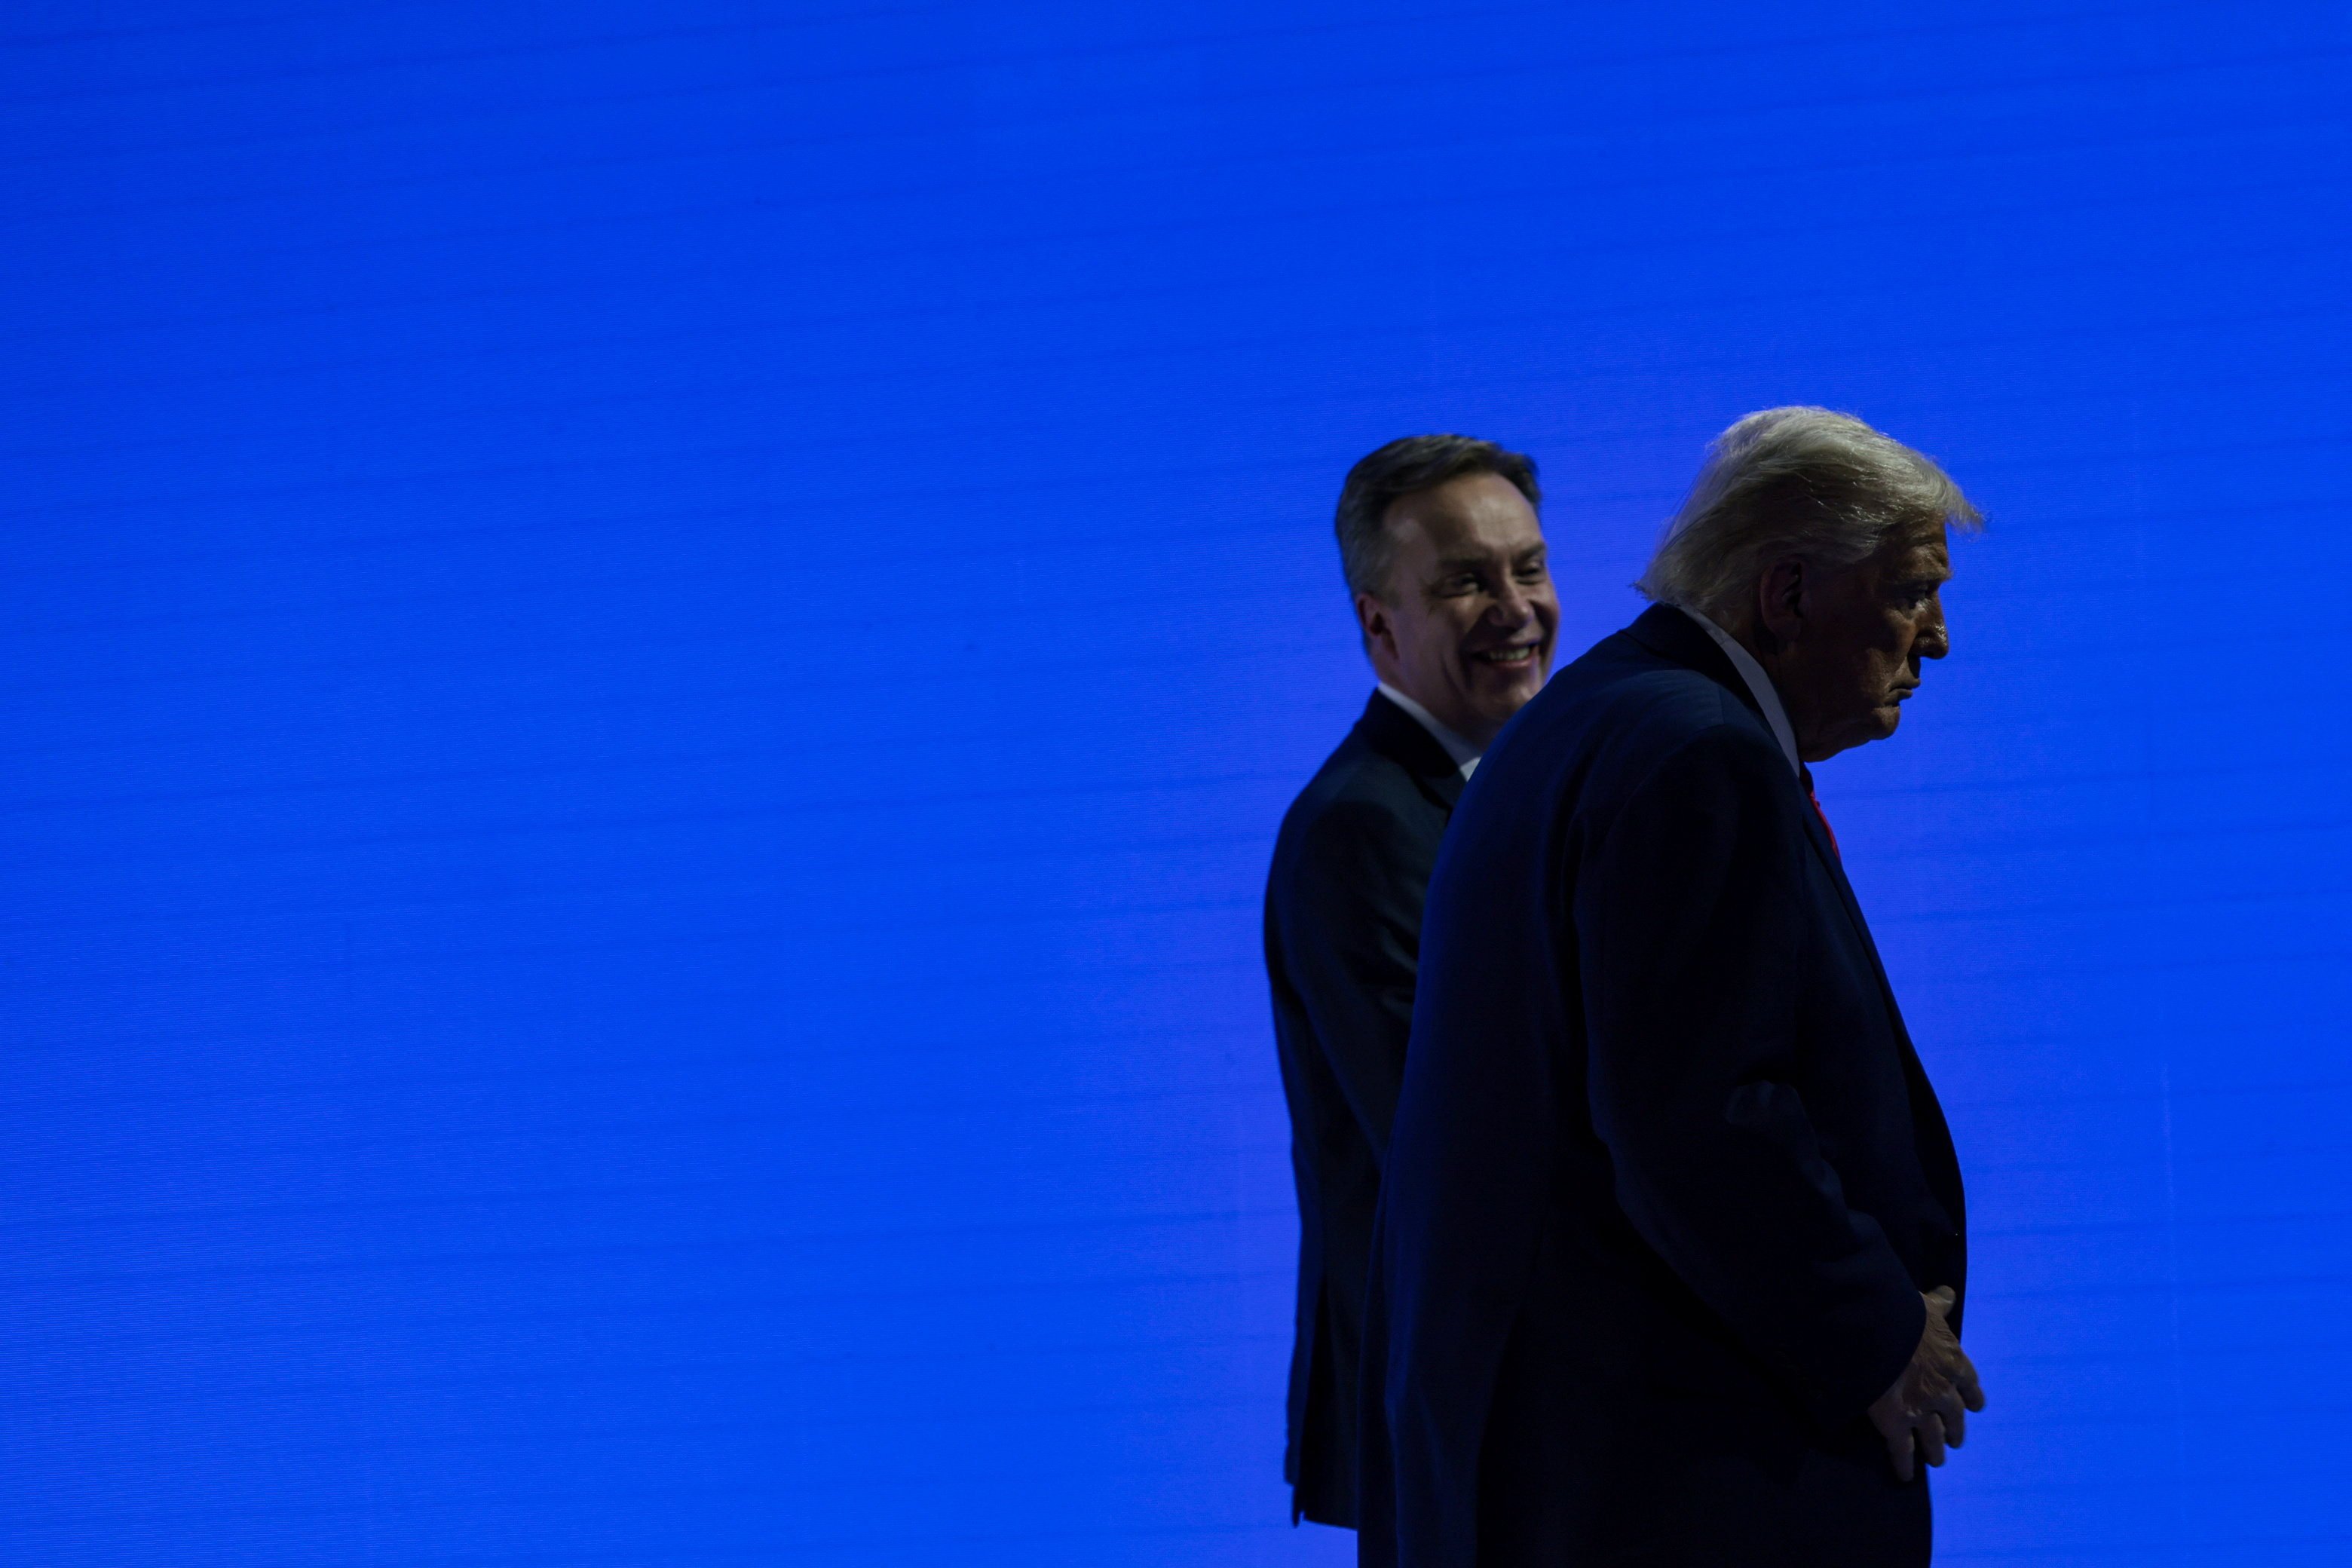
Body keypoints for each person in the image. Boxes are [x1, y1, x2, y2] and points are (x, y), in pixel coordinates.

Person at [1358, 408, 1985, 1566]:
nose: (1936, 638)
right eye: (1909, 591)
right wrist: (1878, 1336)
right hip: (1668, 1475)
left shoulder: (1594, 715)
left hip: (1569, 1462)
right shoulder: (1699, 753)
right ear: (1788, 595)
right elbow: (1700, 1118)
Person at [1264, 435, 1560, 1529]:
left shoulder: (1513, 797)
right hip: (1455, 1421)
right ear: (1377, 623)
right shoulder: (1362, 829)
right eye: (1464, 583)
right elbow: (1451, 1147)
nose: (1515, 608)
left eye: (1528, 567)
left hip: (1522, 1408)